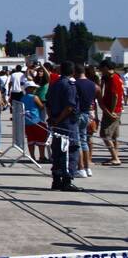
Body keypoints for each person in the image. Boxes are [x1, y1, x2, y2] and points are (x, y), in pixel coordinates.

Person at [45, 61, 80, 191]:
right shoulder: (70, 85)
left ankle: (56, 179)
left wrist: (52, 118)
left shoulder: (54, 85)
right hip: (67, 123)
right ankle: (66, 180)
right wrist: (58, 119)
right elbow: (70, 106)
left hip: (56, 122)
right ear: (72, 72)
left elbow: (47, 103)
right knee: (70, 150)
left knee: (57, 151)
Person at [73, 65, 99, 178]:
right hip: (87, 113)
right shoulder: (93, 85)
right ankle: (88, 167)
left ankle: (81, 168)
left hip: (77, 114)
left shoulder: (74, 84)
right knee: (84, 141)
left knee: (77, 141)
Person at [98, 60, 123, 167]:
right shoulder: (113, 77)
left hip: (112, 110)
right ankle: (114, 156)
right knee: (113, 136)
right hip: (117, 110)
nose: (100, 71)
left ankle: (115, 158)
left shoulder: (113, 79)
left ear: (106, 68)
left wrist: (110, 112)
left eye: (101, 69)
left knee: (105, 134)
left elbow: (115, 96)